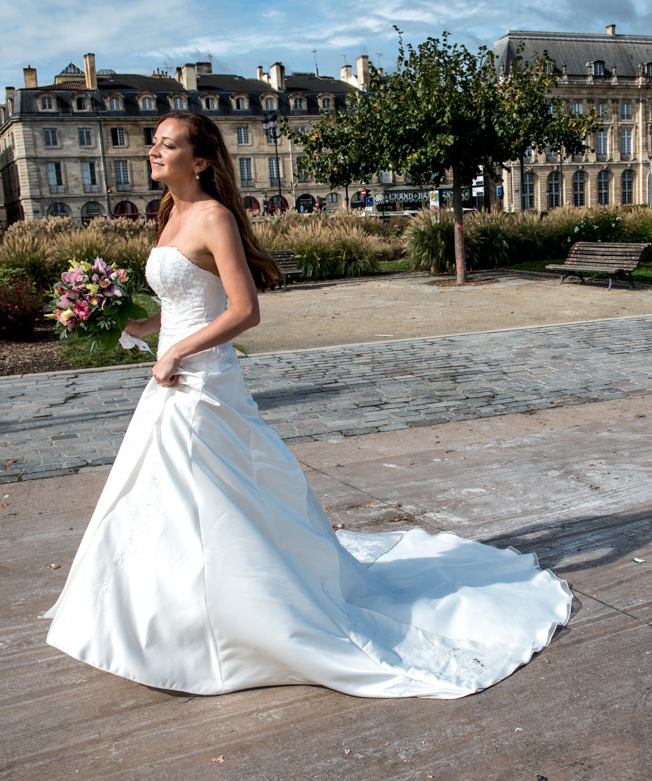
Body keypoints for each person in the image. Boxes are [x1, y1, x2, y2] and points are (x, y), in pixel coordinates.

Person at [44, 111, 573, 698]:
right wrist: (137, 324)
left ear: (199, 160)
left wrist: (178, 353)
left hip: (200, 382)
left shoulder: (214, 216)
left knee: (206, 497)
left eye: (167, 144)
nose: (153, 151)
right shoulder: (170, 214)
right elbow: (184, 300)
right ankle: (162, 617)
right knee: (165, 494)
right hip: (170, 373)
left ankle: (233, 618)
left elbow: (244, 311)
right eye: (154, 143)